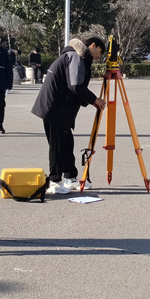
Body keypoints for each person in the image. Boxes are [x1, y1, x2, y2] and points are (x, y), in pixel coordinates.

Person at [31, 37, 106, 195]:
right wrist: (94, 99)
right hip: (54, 107)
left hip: (60, 107)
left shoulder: (77, 56)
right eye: (99, 52)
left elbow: (74, 86)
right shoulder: (75, 56)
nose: (98, 57)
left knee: (66, 143)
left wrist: (90, 101)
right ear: (92, 45)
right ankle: (54, 181)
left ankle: (70, 177)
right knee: (57, 146)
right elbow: (75, 85)